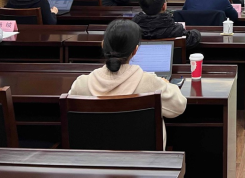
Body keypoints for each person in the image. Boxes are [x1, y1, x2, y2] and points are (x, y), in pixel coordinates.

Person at [68, 19, 187, 150]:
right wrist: (167, 85)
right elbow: (179, 106)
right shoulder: (151, 83)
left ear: (102, 45)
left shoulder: (81, 84)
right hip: (145, 161)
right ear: (135, 50)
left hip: (95, 160)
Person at [133, 0, 201, 48]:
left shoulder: (132, 29)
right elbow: (194, 37)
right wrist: (196, 32)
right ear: (164, 6)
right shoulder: (175, 30)